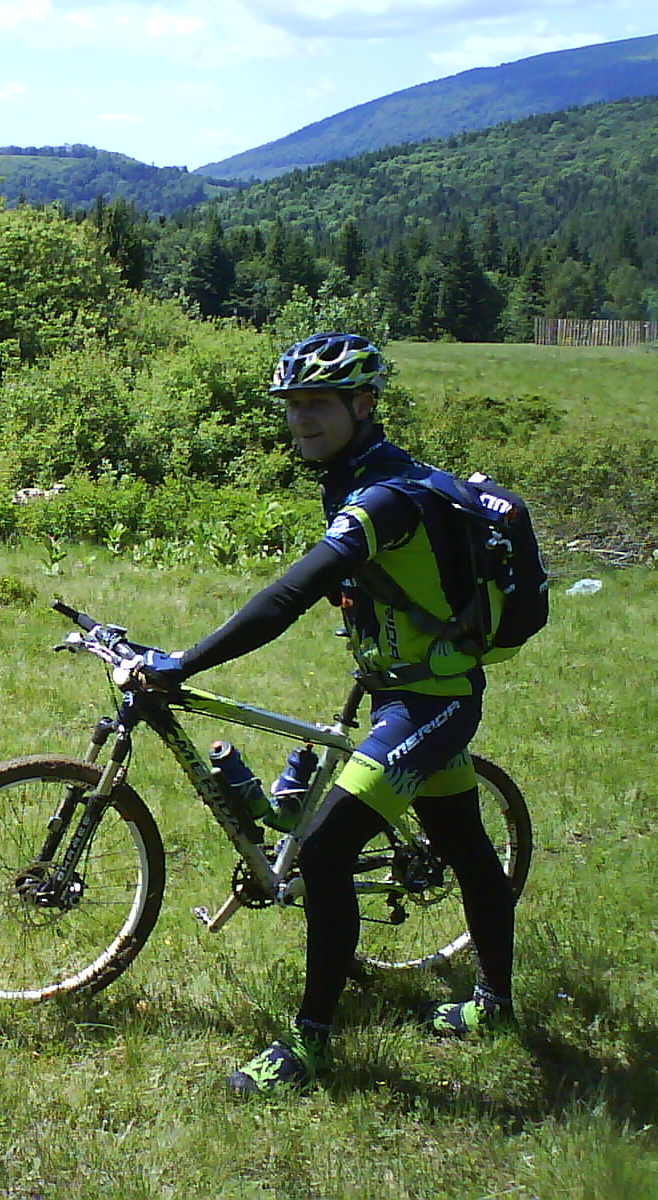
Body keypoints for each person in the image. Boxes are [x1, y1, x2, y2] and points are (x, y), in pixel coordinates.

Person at [139, 331, 518, 1097]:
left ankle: (310, 1046)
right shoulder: (358, 477)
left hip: (432, 703)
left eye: (318, 403)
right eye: (292, 405)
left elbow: (290, 593)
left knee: (322, 851)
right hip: (405, 692)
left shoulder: (384, 496)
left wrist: (184, 662)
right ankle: (496, 1004)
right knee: (466, 848)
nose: (301, 419)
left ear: (364, 404)